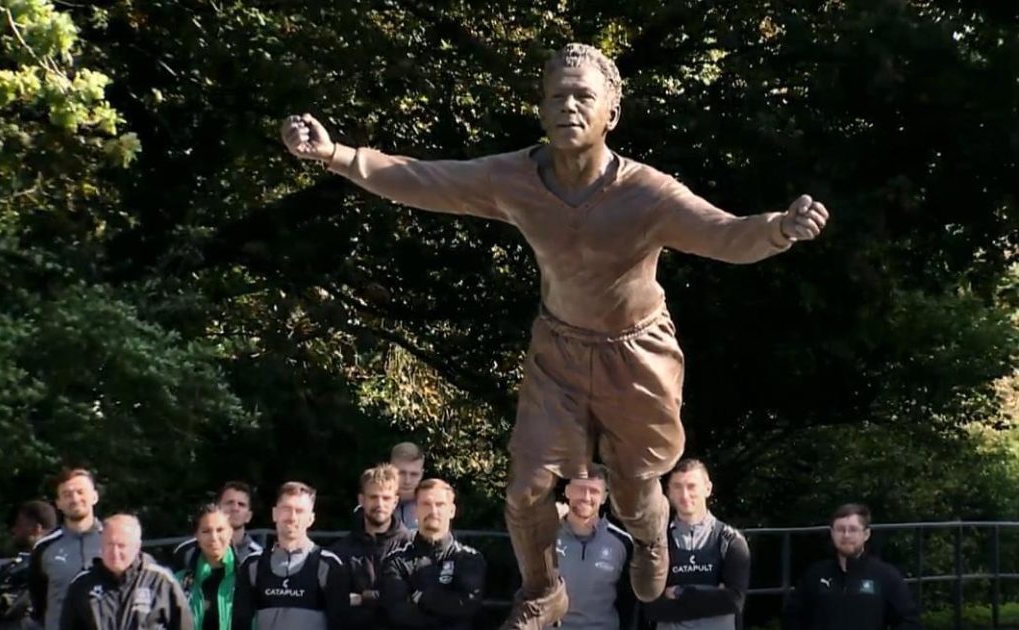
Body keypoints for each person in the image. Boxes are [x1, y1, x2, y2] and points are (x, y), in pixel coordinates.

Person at [281, 42, 829, 628]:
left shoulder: (647, 192)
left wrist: (778, 229)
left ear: (610, 114)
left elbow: (723, 233)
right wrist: (337, 154)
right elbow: (426, 180)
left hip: (637, 353)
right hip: (559, 349)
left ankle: (650, 541)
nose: (569, 106)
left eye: (583, 96)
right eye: (557, 96)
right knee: (524, 490)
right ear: (541, 109)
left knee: (633, 486)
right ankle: (544, 590)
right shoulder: (515, 177)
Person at [643, 459, 750, 630]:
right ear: (668, 492)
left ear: (708, 488)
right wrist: (712, 595)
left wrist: (680, 592)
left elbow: (733, 602)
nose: (684, 495)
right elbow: (651, 608)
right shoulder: (656, 541)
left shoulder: (730, 540)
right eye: (677, 487)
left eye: (691, 486)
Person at [232, 482, 351, 630]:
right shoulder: (252, 564)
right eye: (286, 509)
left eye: (299, 511)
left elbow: (341, 624)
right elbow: (239, 623)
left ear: (311, 519)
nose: (292, 517)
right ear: (274, 514)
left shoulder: (329, 565)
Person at [782, 503, 921, 630]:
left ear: (866, 534)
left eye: (853, 529)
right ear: (832, 533)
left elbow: (908, 621)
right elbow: (792, 619)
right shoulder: (814, 575)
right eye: (840, 529)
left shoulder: (886, 576)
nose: (846, 535)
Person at [381, 479, 485, 629]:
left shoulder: (469, 559)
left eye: (440, 504)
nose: (433, 511)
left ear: (452, 511)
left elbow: (468, 606)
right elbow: (397, 614)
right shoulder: (397, 561)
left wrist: (420, 597)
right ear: (415, 510)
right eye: (426, 504)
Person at [59, 514, 193, 630]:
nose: (115, 552)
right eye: (109, 545)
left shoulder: (161, 582)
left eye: (121, 546)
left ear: (137, 546)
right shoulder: (82, 584)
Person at [555, 464, 636, 630]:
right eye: (580, 489)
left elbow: (630, 604)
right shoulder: (544, 536)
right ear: (567, 490)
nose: (586, 497)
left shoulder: (622, 542)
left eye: (594, 491)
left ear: (605, 497)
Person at [331, 464, 411, 629]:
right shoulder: (340, 551)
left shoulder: (412, 546)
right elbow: (337, 604)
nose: (380, 504)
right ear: (362, 500)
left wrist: (363, 598)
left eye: (386, 498)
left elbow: (412, 599)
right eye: (373, 497)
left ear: (395, 501)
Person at [29, 469, 103, 630]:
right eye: (67, 494)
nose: (75, 499)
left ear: (94, 496)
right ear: (58, 503)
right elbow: (39, 605)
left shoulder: (116, 542)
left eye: (80, 492)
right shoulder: (44, 548)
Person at [172, 482, 262, 572]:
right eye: (229, 503)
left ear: (249, 516)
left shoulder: (259, 558)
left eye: (241, 504)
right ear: (216, 507)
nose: (235, 508)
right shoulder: (187, 552)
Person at [175, 505, 238, 630]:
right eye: (206, 531)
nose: (213, 538)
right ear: (196, 535)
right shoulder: (180, 582)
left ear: (231, 532)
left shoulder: (248, 576)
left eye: (220, 530)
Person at [0, 501, 57, 629]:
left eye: (19, 525)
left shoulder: (46, 565)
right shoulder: (17, 564)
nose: (14, 530)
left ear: (36, 529)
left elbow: (14, 605)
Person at [390, 443, 425, 529]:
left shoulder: (433, 507)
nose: (407, 481)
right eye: (401, 473)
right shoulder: (373, 504)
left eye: (414, 474)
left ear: (421, 475)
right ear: (390, 471)